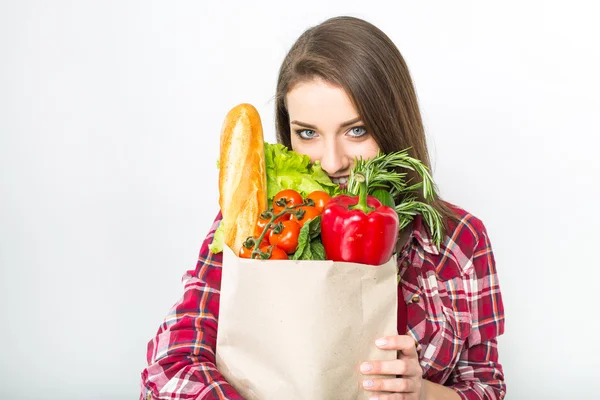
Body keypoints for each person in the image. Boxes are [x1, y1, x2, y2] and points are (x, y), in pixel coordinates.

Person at [140, 15, 505, 400]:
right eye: (308, 133)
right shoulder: (260, 224)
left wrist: (421, 393)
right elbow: (171, 365)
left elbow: (486, 387)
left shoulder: (459, 240)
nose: (332, 163)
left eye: (357, 130)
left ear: (394, 122)